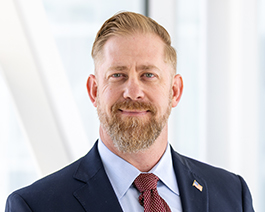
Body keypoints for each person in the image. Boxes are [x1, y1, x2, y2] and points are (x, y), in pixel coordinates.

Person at [5, 11, 254, 212]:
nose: (133, 92)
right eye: (117, 75)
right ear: (93, 90)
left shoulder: (233, 194)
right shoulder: (35, 206)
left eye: (148, 75)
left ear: (175, 91)